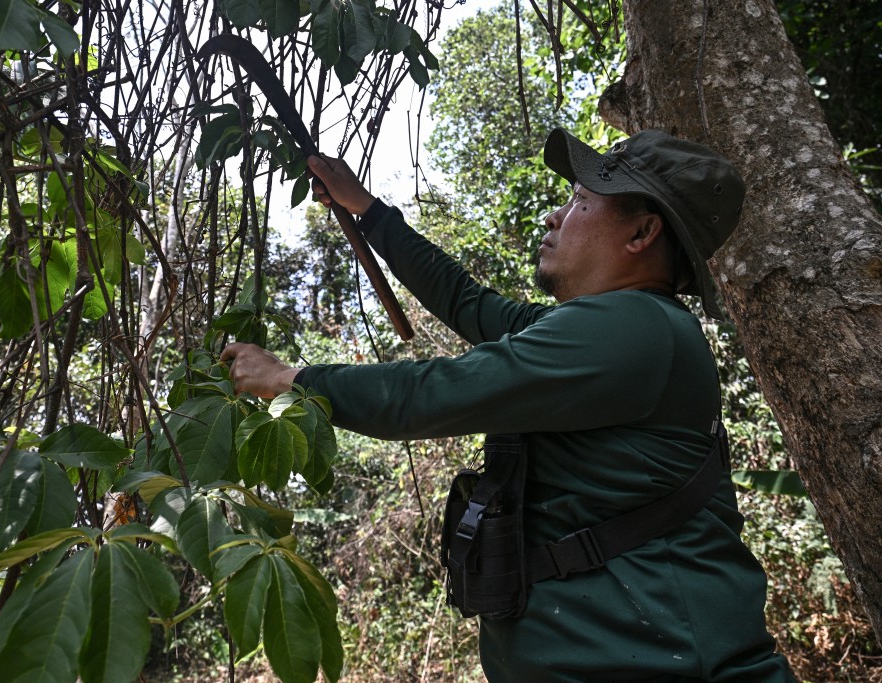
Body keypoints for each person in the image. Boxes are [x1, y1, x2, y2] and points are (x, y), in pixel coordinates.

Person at [220, 128, 796, 681]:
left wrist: (294, 379)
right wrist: (366, 208)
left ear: (641, 233)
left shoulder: (635, 329)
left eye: (579, 201)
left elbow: (436, 393)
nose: (555, 216)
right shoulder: (597, 329)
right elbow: (466, 302)